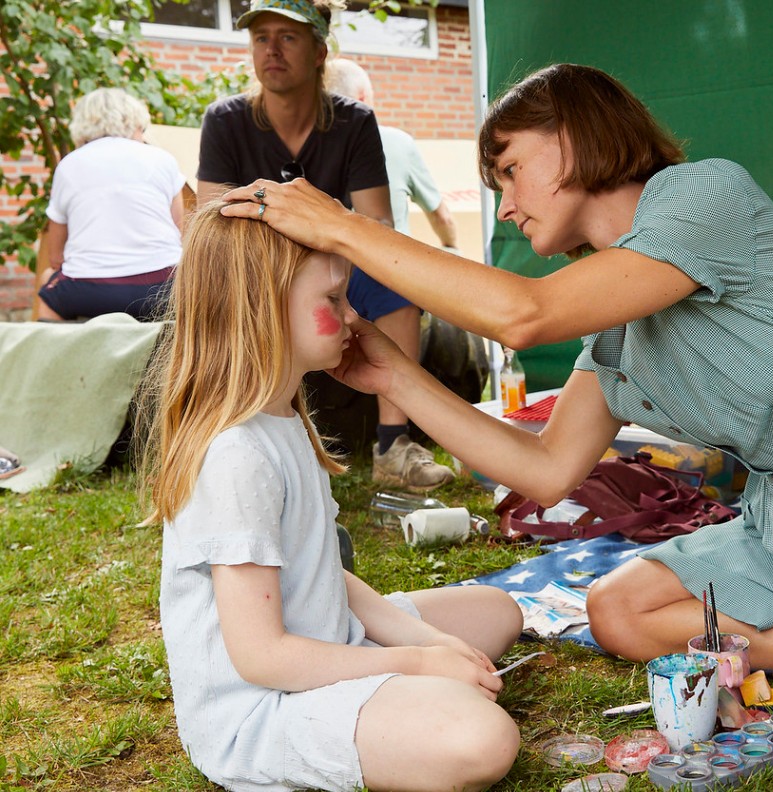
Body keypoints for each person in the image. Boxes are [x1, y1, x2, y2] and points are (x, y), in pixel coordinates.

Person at [219, 63, 773, 772]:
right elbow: (546, 470)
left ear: (575, 137)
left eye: (510, 169)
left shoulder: (706, 198)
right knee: (616, 608)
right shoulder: (614, 335)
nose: (508, 205)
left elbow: (524, 315)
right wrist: (399, 381)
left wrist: (341, 227)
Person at [137, 201, 521, 792]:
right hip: (262, 710)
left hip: (324, 639)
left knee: (497, 611)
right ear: (264, 307)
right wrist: (417, 661)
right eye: (334, 300)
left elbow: (325, 575)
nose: (354, 315)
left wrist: (435, 643)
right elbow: (262, 657)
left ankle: (406, 692)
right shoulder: (236, 456)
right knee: (482, 738)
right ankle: (404, 702)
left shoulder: (282, 417)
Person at [196, 0, 454, 490]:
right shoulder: (225, 121)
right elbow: (211, 226)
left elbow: (376, 222)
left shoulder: (354, 121)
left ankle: (391, 445)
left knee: (394, 279)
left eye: (288, 37)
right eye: (260, 38)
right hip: (256, 268)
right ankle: (228, 435)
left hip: (337, 266)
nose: (271, 49)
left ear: (319, 52)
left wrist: (327, 236)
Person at [38, 87, 184, 321]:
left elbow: (56, 256)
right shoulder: (162, 159)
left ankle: (52, 355)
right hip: (163, 287)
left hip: (90, 292)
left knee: (48, 289)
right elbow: (181, 232)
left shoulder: (69, 165)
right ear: (135, 123)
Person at [323, 57, 460, 253]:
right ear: (362, 100)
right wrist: (452, 248)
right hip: (391, 268)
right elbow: (441, 217)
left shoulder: (308, 149)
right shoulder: (398, 142)